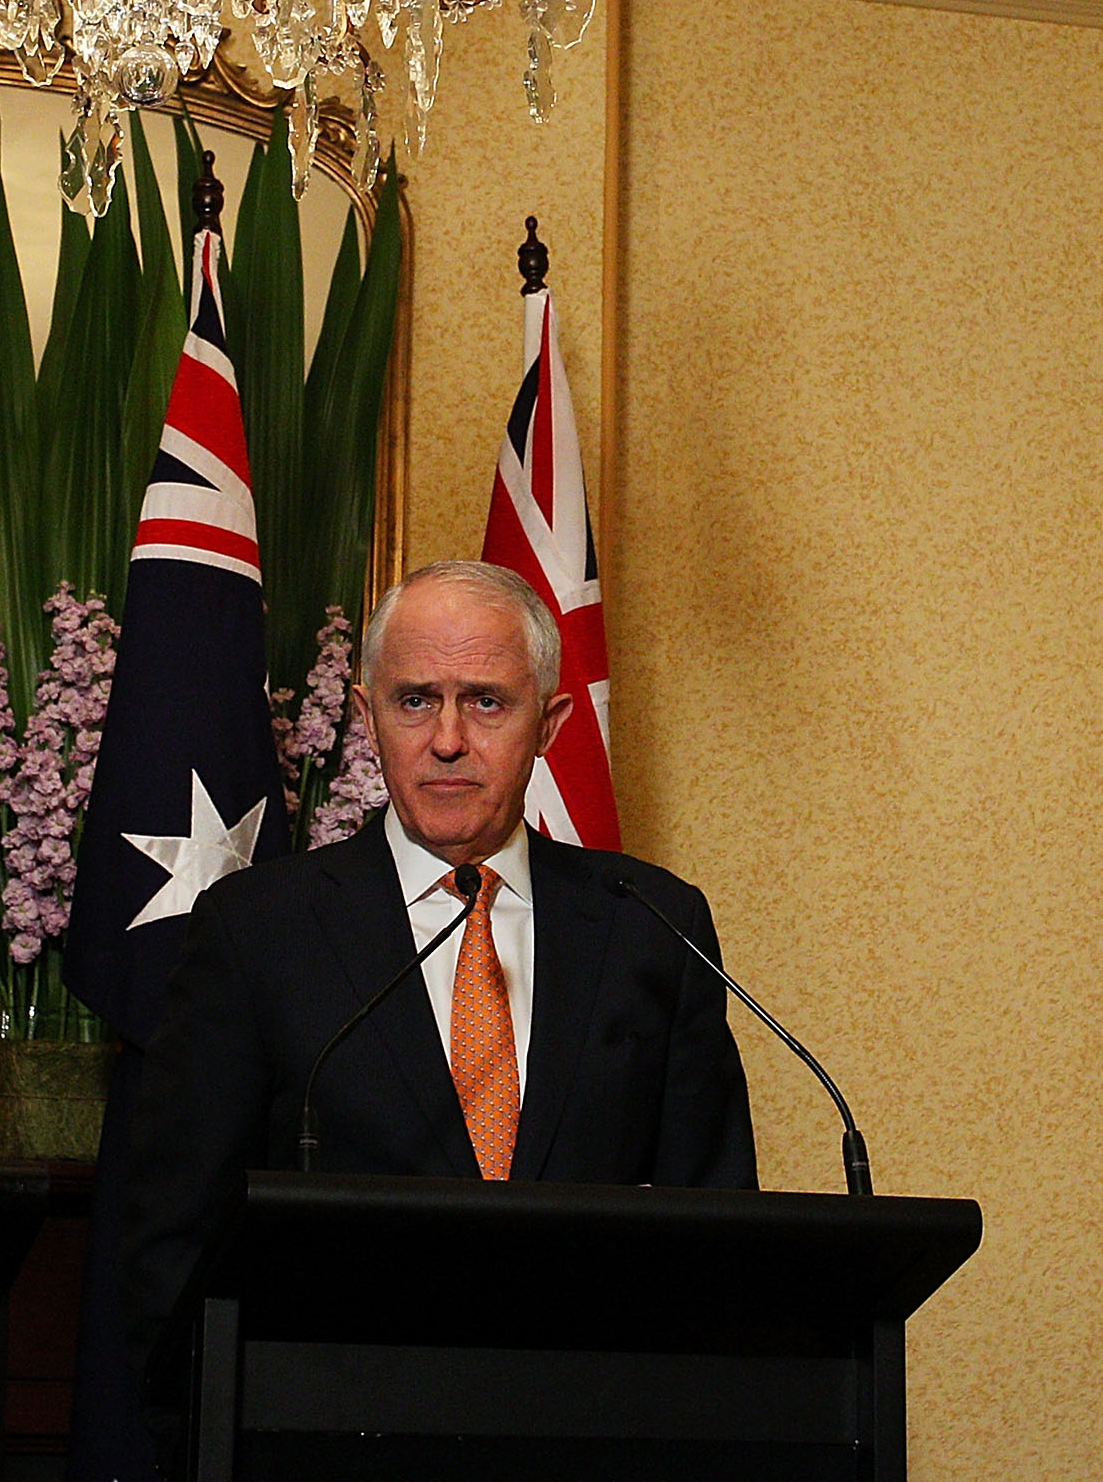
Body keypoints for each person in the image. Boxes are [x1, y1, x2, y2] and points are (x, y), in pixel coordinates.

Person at [109, 559, 756, 1379]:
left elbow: (723, 1231)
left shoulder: (649, 925)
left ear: (550, 724)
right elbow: (175, 1240)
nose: (448, 741)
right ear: (367, 715)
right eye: (415, 701)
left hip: (596, 1421)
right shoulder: (257, 931)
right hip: (331, 1428)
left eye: (486, 702)